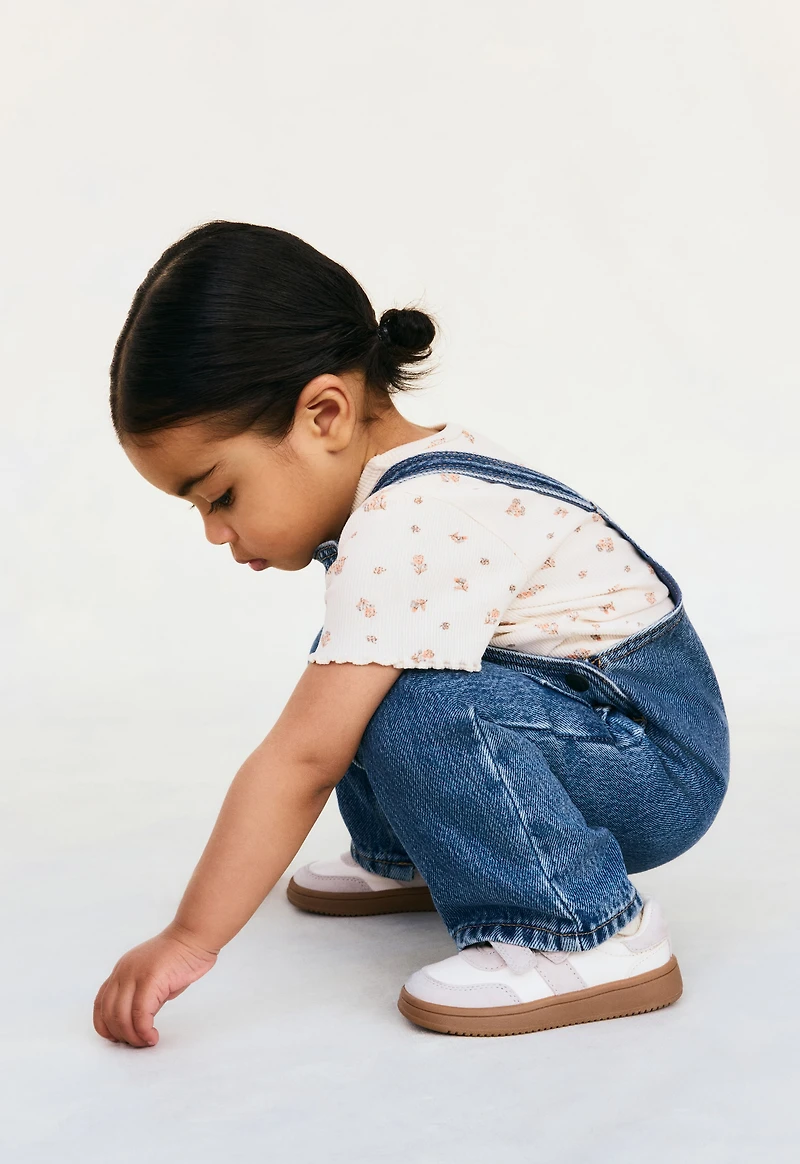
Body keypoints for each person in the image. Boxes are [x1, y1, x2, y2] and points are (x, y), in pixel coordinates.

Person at [93, 219, 730, 1047]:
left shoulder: (413, 520)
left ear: (325, 413)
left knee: (406, 705)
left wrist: (190, 936)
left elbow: (303, 759)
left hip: (656, 758)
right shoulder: (397, 496)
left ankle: (583, 930)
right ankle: (411, 853)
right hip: (602, 721)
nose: (216, 532)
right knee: (358, 672)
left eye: (219, 495)